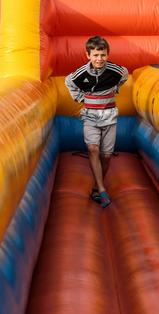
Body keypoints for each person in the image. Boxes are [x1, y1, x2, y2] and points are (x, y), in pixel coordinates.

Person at [65, 36, 128, 208]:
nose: (99, 59)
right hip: (91, 116)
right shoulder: (81, 74)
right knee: (93, 148)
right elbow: (68, 81)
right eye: (96, 55)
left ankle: (95, 186)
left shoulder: (115, 70)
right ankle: (101, 189)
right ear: (88, 55)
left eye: (103, 55)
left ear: (107, 55)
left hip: (109, 116)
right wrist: (79, 97)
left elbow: (125, 75)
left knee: (106, 156)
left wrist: (115, 88)